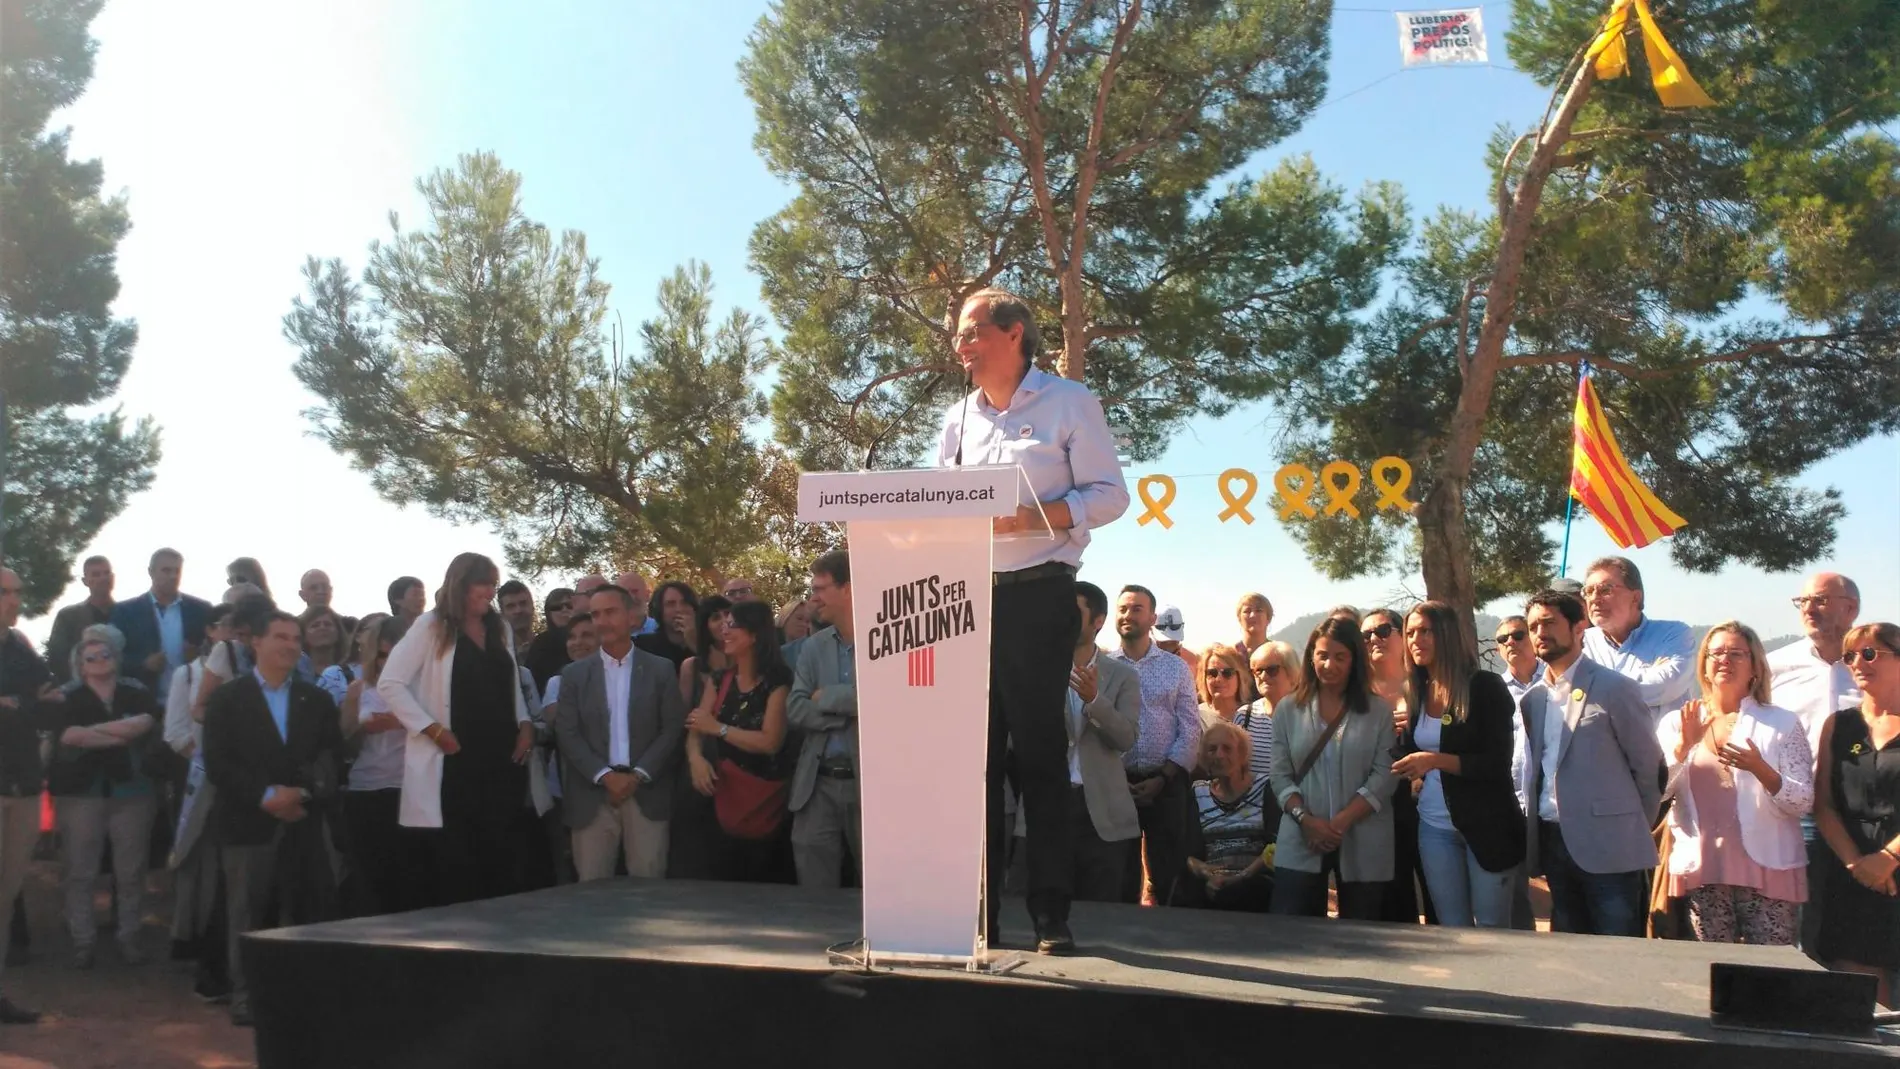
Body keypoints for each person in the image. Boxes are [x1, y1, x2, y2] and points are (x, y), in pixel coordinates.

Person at [939, 287, 1129, 953]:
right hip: (967, 598)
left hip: (1041, 595)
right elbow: (939, 504)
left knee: (1041, 756)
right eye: (959, 335)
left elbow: (1112, 494)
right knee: (977, 761)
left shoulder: (1069, 400)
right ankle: (980, 912)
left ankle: (1051, 912)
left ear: (1013, 333)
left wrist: (1033, 516)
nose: (960, 344)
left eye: (971, 331)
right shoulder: (958, 417)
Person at [202, 611, 347, 1026]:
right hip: (246, 823)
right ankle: (247, 996)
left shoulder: (315, 699)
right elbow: (218, 763)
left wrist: (299, 794)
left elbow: (331, 758)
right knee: (247, 914)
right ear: (256, 643)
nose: (290, 644)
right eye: (280, 636)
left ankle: (303, 992)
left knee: (308, 908)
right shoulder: (228, 699)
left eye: (295, 638)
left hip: (303, 819)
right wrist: (267, 797)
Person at [378, 553, 538, 907]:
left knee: (506, 858)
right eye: (484, 583)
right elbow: (390, 683)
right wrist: (431, 729)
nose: (490, 591)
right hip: (455, 759)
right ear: (462, 585)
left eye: (493, 584)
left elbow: (511, 685)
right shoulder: (431, 626)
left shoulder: (500, 628)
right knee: (462, 864)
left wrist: (526, 723)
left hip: (504, 759)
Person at [1521, 588, 1664, 937]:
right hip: (1554, 841)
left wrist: (1628, 825)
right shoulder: (1533, 699)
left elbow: (1648, 768)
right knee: (1570, 952)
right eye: (1534, 626)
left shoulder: (1615, 688)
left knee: (1619, 951)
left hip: (1612, 847)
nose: (1541, 633)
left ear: (1579, 626)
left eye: (1550, 623)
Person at [1658, 622, 1812, 945]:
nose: (1724, 660)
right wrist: (1682, 749)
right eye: (1716, 653)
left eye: (1736, 654)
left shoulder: (1781, 722)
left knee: (1772, 972)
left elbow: (1802, 801)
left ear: (1755, 665)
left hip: (1768, 866)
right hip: (1703, 870)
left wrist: (1761, 769)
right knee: (1712, 972)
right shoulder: (1678, 721)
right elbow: (1657, 793)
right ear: (1704, 664)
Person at [1393, 601, 1526, 929]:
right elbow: (1413, 752)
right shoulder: (1416, 693)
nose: (1416, 640)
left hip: (1487, 827)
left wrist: (1434, 761)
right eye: (1410, 633)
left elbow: (1496, 764)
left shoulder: (1484, 687)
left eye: (1425, 631)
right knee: (1453, 929)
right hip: (1434, 827)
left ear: (1447, 635)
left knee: (1493, 929)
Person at [1268, 617, 1398, 920]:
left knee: (1363, 936)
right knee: (1292, 931)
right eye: (1323, 655)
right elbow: (1279, 774)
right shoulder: (1288, 709)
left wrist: (1340, 821)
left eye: (1340, 657)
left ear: (1355, 660)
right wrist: (1306, 820)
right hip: (1301, 835)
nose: (1330, 665)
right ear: (1311, 656)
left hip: (1364, 837)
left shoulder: (1378, 711)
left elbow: (1385, 774)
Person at [553, 585, 685, 881]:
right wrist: (604, 776)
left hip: (646, 794)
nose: (601, 621)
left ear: (632, 615)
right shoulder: (574, 675)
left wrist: (638, 775)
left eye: (610, 612)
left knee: (648, 891)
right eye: (595, 614)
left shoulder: (660, 669)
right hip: (592, 796)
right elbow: (568, 733)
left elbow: (672, 728)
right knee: (592, 894)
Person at [52, 630, 161, 968]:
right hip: (79, 793)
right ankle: (83, 941)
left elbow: (144, 724)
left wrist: (94, 732)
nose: (100, 661)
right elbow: (68, 736)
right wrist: (118, 732)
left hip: (133, 791)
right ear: (79, 666)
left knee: (131, 872)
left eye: (106, 655)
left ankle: (129, 937)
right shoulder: (65, 695)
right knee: (79, 871)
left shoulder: (136, 689)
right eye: (91, 658)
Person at [1767, 572, 1861, 953]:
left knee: (1861, 922)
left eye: (1820, 599)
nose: (1808, 608)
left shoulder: (1876, 663)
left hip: (1865, 811)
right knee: (1805, 916)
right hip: (1801, 808)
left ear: (1851, 608)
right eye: (1802, 601)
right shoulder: (1776, 667)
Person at [1814, 621, 1900, 1005]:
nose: (1857, 663)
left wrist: (1888, 858)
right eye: (1850, 656)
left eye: (1870, 653)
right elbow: (1826, 805)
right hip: (1853, 869)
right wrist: (1857, 865)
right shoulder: (1839, 725)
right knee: (1858, 991)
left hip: (1889, 859)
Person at [684, 599, 795, 883]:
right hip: (723, 801)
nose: (724, 630)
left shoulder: (778, 681)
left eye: (733, 625)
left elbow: (771, 741)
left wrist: (719, 729)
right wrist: (695, 758)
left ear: (755, 635)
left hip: (766, 806)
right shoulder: (719, 680)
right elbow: (696, 728)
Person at [1044, 581, 1141, 903]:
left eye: (1074, 611)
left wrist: (1094, 700)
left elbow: (1126, 738)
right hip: (1049, 808)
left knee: (1103, 909)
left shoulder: (1122, 676)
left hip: (1101, 811)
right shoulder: (1039, 669)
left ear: (1098, 620)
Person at [1108, 585, 1203, 909]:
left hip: (1166, 784)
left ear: (1152, 618)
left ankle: (1172, 947)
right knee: (1119, 876)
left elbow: (1190, 728)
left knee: (1168, 876)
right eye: (1122, 609)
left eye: (1136, 609)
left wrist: (1163, 777)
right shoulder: (1103, 667)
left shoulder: (1175, 668)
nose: (1127, 615)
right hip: (1115, 785)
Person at [0, 568, 63, 1024]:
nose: (13, 599)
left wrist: (18, 704)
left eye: (17, 592)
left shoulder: (19, 647)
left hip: (22, 785)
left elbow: (50, 696)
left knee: (5, 897)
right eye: (5, 591)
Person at [787, 552, 862, 889]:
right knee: (814, 895)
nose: (813, 598)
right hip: (817, 786)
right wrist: (851, 706)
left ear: (849, 588)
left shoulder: (887, 637)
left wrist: (828, 697)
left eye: (821, 588)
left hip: (871, 786)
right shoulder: (813, 647)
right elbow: (796, 708)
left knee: (878, 891)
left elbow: (886, 701)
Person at [1365, 607, 1433, 926]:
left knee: (1437, 892)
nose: (1373, 640)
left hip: (1429, 804)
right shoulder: (1357, 697)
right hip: (1379, 806)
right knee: (1394, 898)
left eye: (1382, 631)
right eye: (1365, 636)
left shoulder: (1430, 686)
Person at [1580, 556, 1697, 720]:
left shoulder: (1674, 634)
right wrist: (1645, 675)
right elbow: (1567, 692)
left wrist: (1591, 686)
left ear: (1636, 597)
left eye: (1605, 590)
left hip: (1663, 745)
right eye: (1589, 591)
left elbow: (1667, 686)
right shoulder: (1581, 642)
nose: (1594, 599)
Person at [667, 596, 733, 880]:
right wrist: (694, 758)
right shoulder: (690, 667)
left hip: (739, 766)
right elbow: (684, 720)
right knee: (694, 854)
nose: (723, 623)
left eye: (728, 615)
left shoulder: (751, 664)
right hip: (698, 766)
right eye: (715, 617)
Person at [1180, 721, 1278, 912]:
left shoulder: (1265, 788)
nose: (1219, 755)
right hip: (1213, 882)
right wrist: (1207, 874)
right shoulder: (1198, 793)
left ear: (1243, 755)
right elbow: (1189, 853)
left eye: (1227, 749)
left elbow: (1274, 847)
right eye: (1212, 749)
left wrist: (1239, 878)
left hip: (1255, 880)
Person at [1493, 614, 1542, 931]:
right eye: (1502, 639)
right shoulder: (1493, 690)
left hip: (1553, 803)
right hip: (1510, 802)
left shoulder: (1557, 682)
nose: (1510, 642)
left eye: (1518, 635)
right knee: (1514, 893)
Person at [109, 548, 212, 694]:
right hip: (144, 697)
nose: (173, 576)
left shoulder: (200, 610)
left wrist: (197, 657)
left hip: (190, 697)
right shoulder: (126, 612)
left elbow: (216, 650)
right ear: (151, 572)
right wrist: (143, 664)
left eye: (177, 571)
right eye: (166, 570)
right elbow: (112, 656)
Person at [46, 555, 116, 685]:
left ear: (113, 577)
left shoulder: (126, 614)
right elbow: (57, 659)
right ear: (85, 581)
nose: (103, 578)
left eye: (106, 573)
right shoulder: (68, 617)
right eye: (96, 574)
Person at [523, 587, 576, 692]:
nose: (564, 610)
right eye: (557, 607)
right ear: (548, 613)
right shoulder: (541, 644)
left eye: (569, 605)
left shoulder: (593, 637)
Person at [1197, 642, 1258, 732]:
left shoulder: (1255, 716)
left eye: (1227, 673)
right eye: (1212, 673)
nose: (1218, 679)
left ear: (1240, 677)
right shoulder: (1195, 716)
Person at [299, 606, 349, 677]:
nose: (322, 628)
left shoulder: (351, 673)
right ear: (303, 635)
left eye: (328, 624)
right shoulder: (294, 674)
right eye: (315, 625)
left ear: (338, 632)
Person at [499, 580, 538, 653]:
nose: (518, 610)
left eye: (523, 603)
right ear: (502, 614)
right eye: (510, 606)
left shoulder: (551, 648)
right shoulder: (494, 655)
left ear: (533, 606)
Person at [1236, 593, 1273, 660]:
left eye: (1259, 610)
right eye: (1247, 611)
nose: (1252, 615)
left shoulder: (1279, 654)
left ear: (1268, 618)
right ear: (1239, 619)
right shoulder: (1230, 656)